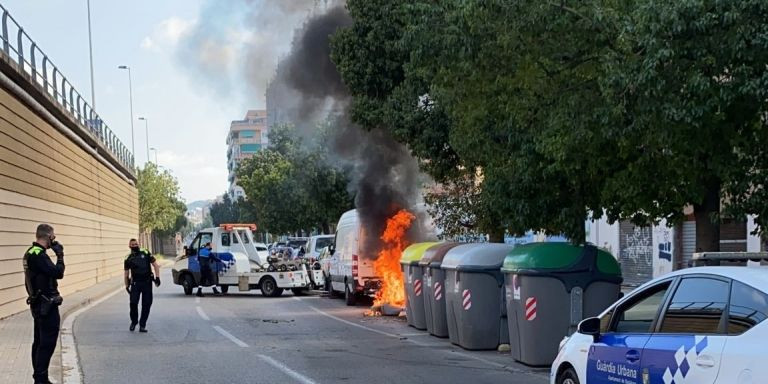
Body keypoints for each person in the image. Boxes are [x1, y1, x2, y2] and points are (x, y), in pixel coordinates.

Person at [23, 224, 65, 384]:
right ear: (48, 237)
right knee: (47, 343)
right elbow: (58, 273)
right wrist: (60, 255)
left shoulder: (29, 253)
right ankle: (40, 378)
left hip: (38, 303)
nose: (54, 240)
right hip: (46, 305)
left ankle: (41, 377)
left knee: (39, 342)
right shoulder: (39, 255)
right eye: (53, 237)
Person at [124, 239, 160, 332]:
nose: (135, 245)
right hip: (135, 283)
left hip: (147, 282)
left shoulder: (146, 252)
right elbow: (126, 273)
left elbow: (155, 265)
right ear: (129, 246)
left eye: (136, 244)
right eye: (132, 244)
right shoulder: (128, 257)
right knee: (133, 304)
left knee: (146, 304)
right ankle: (134, 321)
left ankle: (142, 325)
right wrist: (127, 286)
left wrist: (157, 277)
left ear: (138, 244)